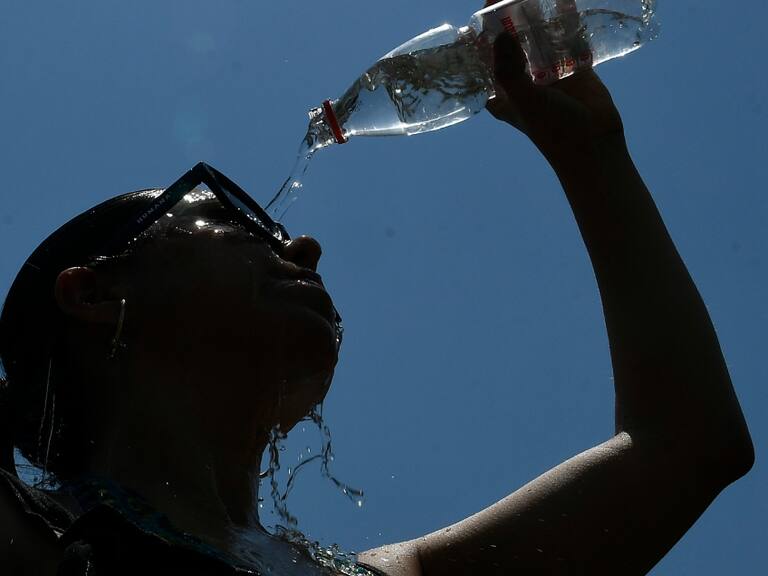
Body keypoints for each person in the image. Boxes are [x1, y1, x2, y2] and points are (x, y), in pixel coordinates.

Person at [0, 6, 754, 576]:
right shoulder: (28, 535)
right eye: (228, 217)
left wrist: (592, 155)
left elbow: (688, 446)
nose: (302, 244)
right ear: (92, 295)